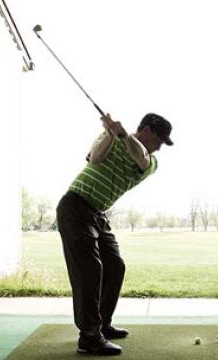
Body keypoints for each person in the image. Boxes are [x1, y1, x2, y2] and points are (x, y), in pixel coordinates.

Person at [56, 112, 174, 355]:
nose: (160, 148)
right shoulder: (108, 137)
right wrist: (111, 133)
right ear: (147, 130)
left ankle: (102, 324)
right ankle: (89, 336)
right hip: (75, 206)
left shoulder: (150, 161)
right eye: (160, 140)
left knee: (115, 266)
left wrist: (122, 134)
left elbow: (140, 158)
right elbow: (94, 160)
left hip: (98, 214)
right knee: (89, 270)